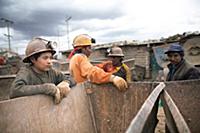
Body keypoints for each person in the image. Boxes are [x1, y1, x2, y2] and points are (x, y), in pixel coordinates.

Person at [10, 37, 74, 104]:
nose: (49, 61)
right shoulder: (26, 72)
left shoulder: (51, 72)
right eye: (45, 58)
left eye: (50, 58)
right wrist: (46, 88)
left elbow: (73, 79)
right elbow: (15, 91)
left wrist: (66, 83)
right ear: (33, 59)